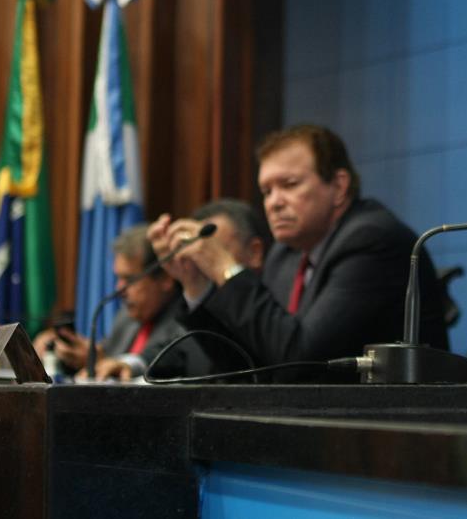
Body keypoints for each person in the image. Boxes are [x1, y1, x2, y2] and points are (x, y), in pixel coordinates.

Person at [148, 124, 448, 377]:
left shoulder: (372, 241)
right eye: (266, 191)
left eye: (289, 184)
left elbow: (303, 360)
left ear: (339, 187)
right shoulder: (285, 255)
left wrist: (225, 269)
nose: (274, 202)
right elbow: (253, 365)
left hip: (392, 421)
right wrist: (196, 285)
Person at [95, 198, 272, 380]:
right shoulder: (200, 308)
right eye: (200, 251)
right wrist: (130, 364)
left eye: (216, 251)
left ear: (254, 252)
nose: (205, 261)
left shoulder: (271, 306)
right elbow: (177, 353)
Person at [35, 224, 189, 380]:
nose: (119, 288)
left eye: (129, 279)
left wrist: (103, 363)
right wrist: (71, 353)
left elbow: (163, 364)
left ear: (165, 278)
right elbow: (106, 357)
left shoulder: (187, 321)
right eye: (119, 278)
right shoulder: (127, 317)